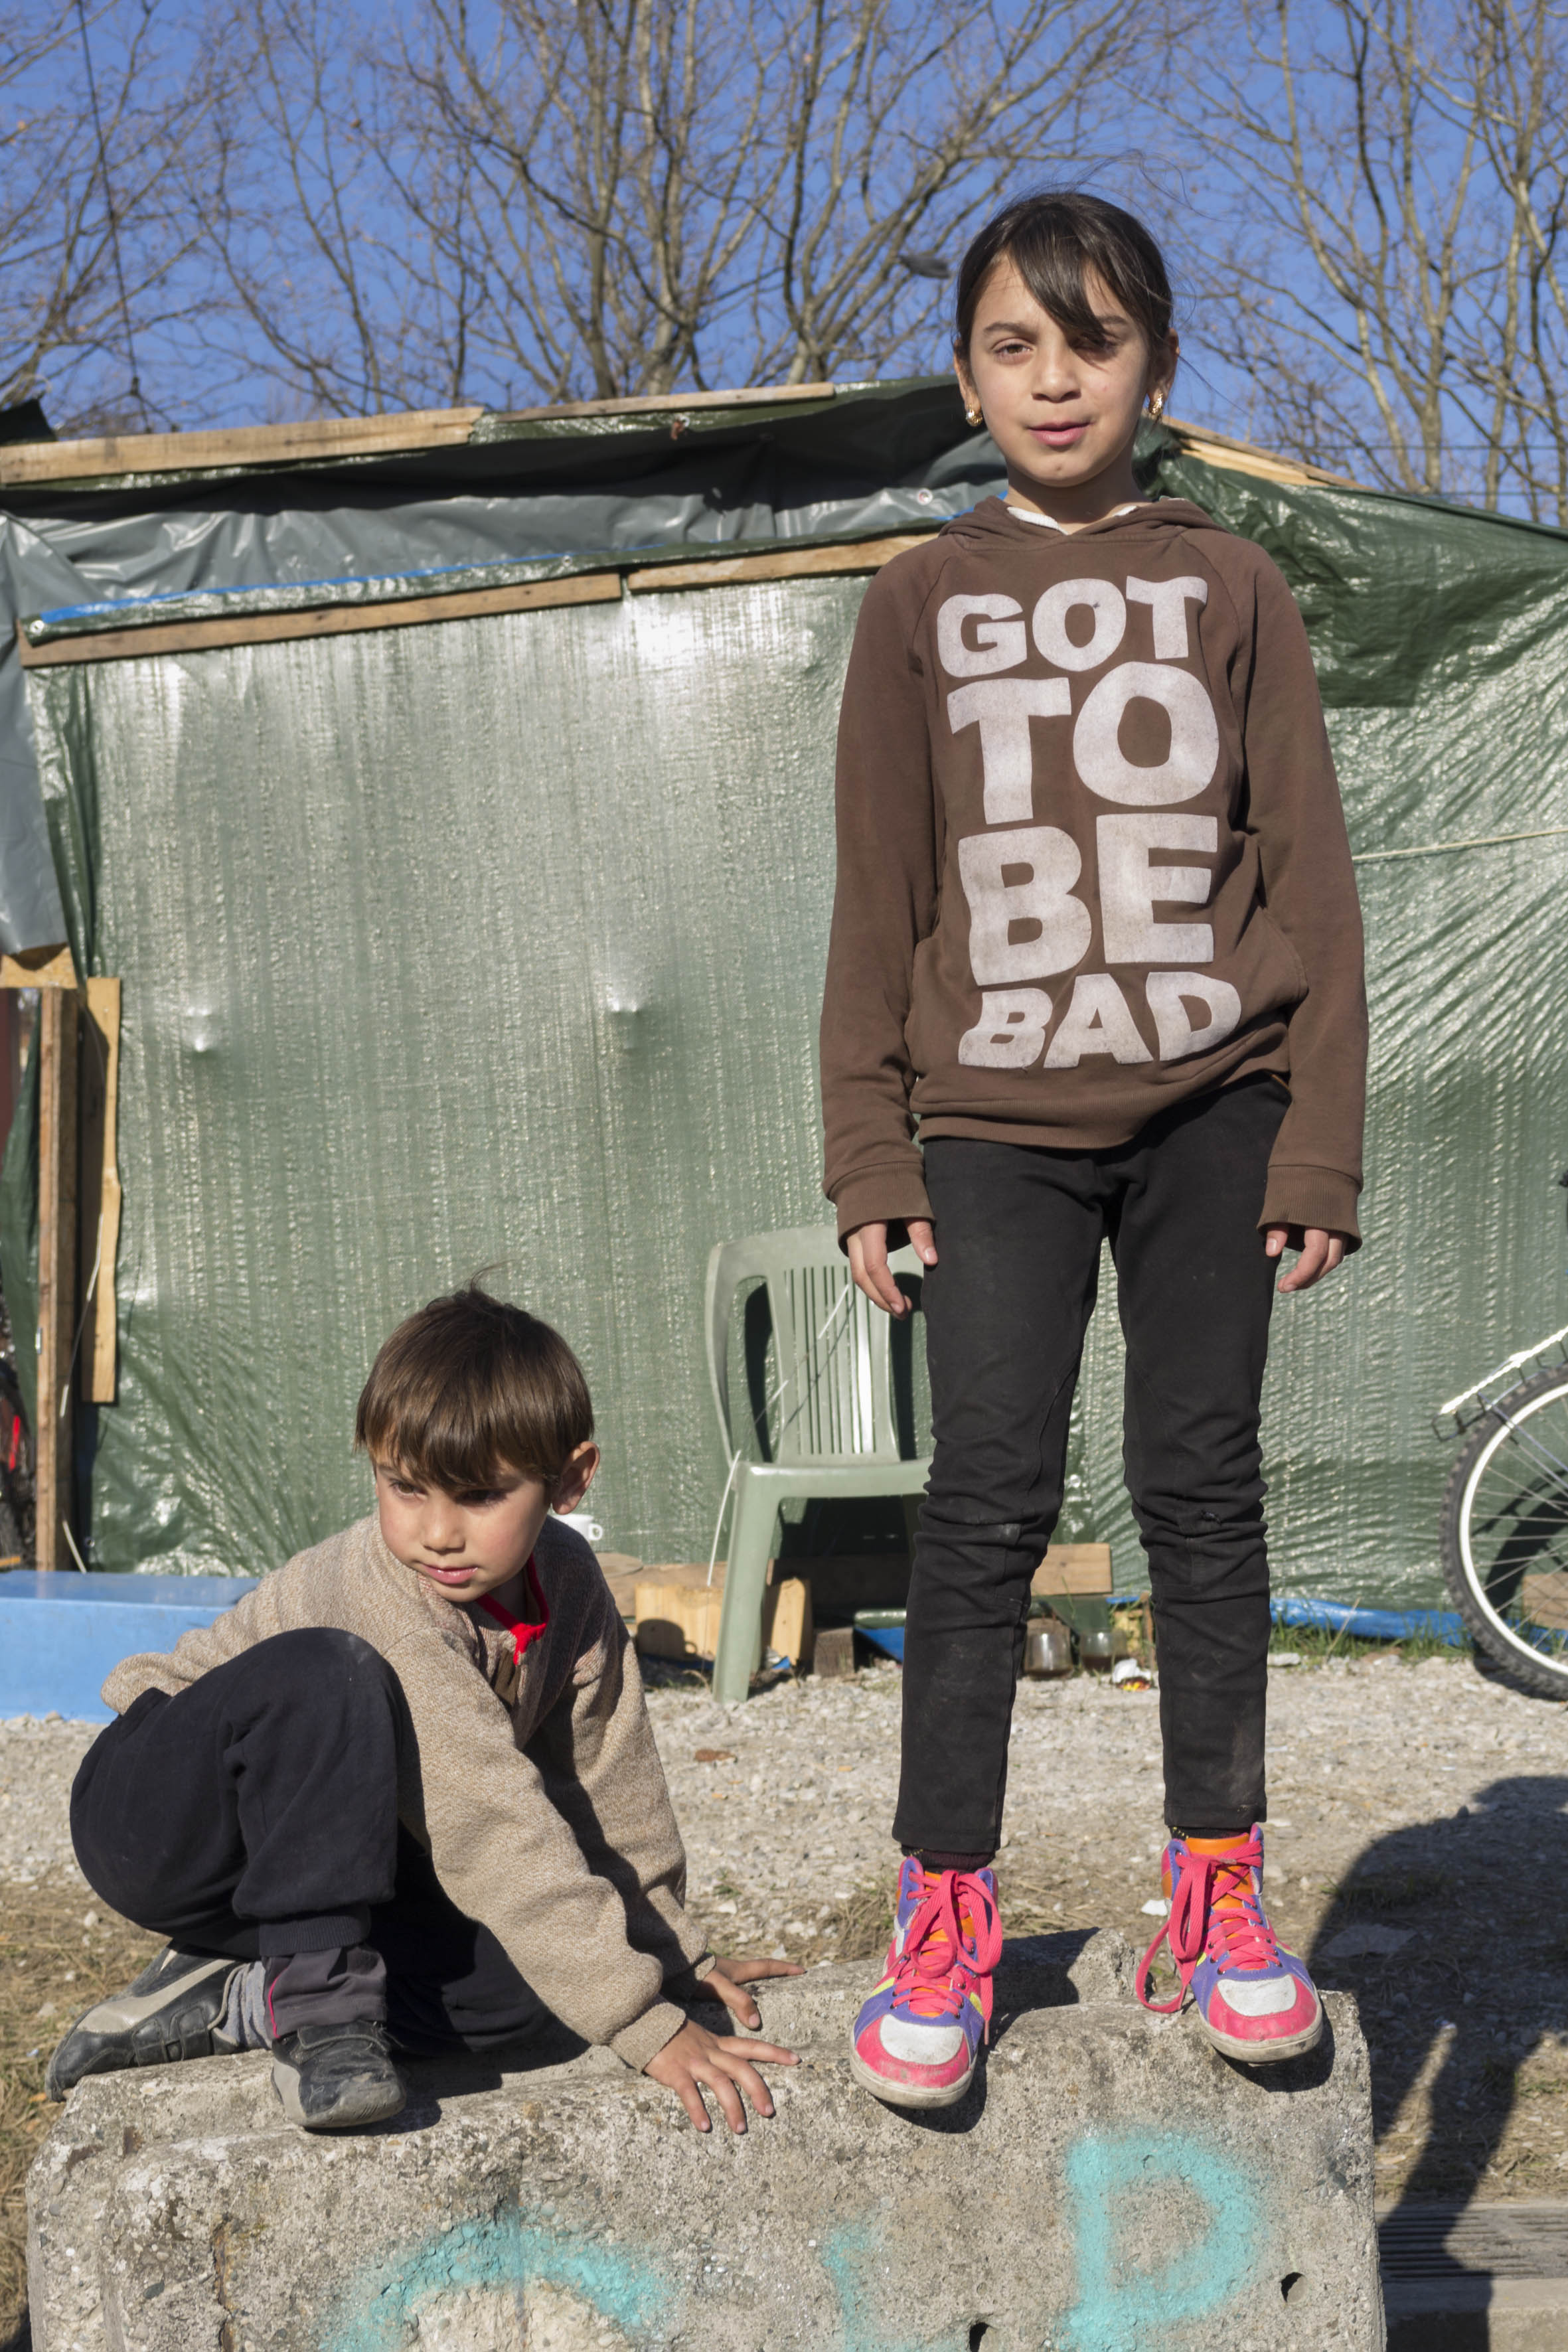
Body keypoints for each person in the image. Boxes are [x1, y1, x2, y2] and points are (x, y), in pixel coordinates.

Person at [820, 189, 1366, 2108]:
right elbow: (876, 896)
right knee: (985, 1497)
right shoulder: (916, 600)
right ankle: (945, 1915)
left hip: (1218, 1104)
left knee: (1201, 1486)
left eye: (1094, 340)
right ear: (966, 376)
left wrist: (1319, 1144)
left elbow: (1311, 876)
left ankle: (1217, 1894)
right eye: (1014, 344)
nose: (1055, 379)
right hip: (991, 1119)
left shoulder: (1234, 585)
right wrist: (868, 1153)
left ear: (1156, 363)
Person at [47, 1285, 797, 2133]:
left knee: (528, 1998)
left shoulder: (571, 1585)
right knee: (331, 1671)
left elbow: (609, 1787)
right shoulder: (392, 1601)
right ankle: (320, 2015)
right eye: (404, 1487)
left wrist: (666, 1960)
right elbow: (490, 1822)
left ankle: (245, 1992)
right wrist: (644, 2028)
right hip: (163, 1815)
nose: (438, 1532)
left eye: (478, 1497)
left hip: (318, 1860)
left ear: (569, 1479)